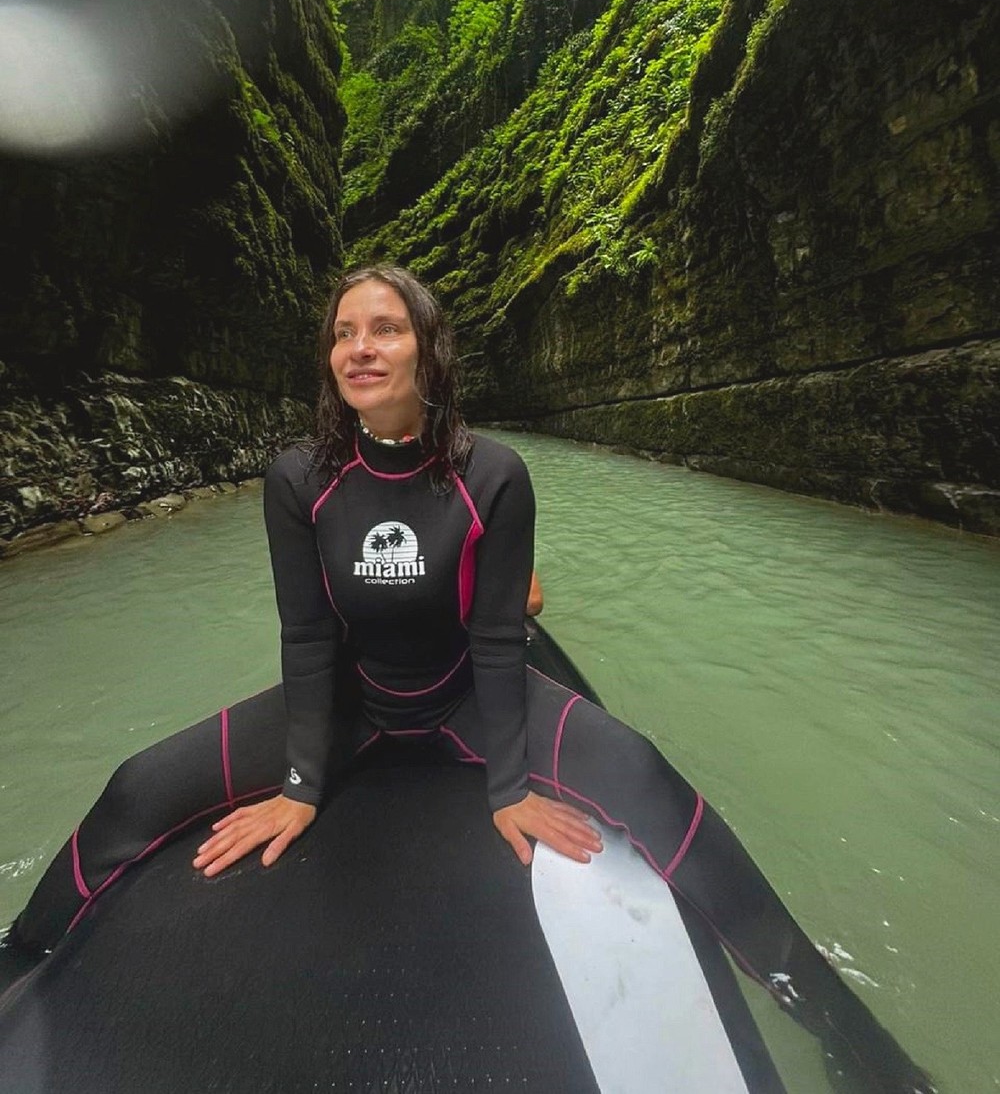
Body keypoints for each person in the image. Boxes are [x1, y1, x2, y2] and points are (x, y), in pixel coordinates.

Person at [8, 265, 936, 1094]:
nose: (359, 347)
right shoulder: (299, 478)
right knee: (134, 787)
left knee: (648, 778)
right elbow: (306, 632)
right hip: (351, 704)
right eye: (343, 331)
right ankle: (18, 964)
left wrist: (510, 785)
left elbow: (500, 637)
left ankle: (860, 1044)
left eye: (385, 328)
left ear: (427, 349)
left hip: (468, 696)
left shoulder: (494, 473)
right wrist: (300, 782)